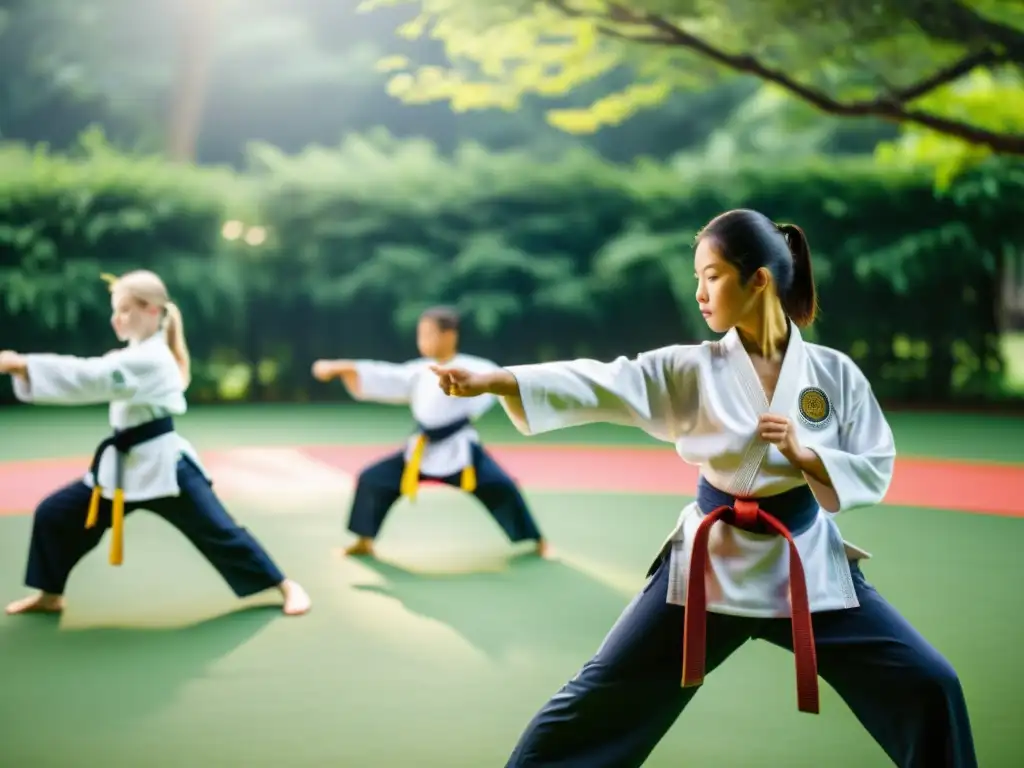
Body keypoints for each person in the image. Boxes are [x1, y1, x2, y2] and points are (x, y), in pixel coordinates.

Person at [431, 209, 976, 768]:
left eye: (711, 275)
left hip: (805, 565)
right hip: (709, 567)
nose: (699, 292)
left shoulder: (834, 375)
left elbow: (875, 463)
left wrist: (804, 454)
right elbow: (606, 380)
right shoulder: (693, 368)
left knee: (929, 684)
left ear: (758, 279)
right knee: (592, 706)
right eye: (697, 278)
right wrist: (501, 379)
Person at [0, 270, 311, 617]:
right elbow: (102, 372)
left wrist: (22, 365)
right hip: (123, 466)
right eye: (115, 310)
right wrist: (24, 368)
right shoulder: (137, 353)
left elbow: (93, 376)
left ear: (151, 310)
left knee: (219, 531)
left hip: (166, 468)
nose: (116, 318)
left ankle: (286, 585)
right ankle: (50, 594)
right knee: (56, 514)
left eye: (125, 310)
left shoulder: (152, 358)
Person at [312, 305, 548, 559]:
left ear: (449, 335)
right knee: (373, 479)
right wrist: (345, 368)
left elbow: (501, 383)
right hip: (421, 448)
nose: (422, 341)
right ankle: (364, 541)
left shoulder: (476, 367)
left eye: (428, 334)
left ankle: (538, 540)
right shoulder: (418, 369)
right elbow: (384, 375)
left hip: (460, 449)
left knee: (501, 486)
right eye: (420, 334)